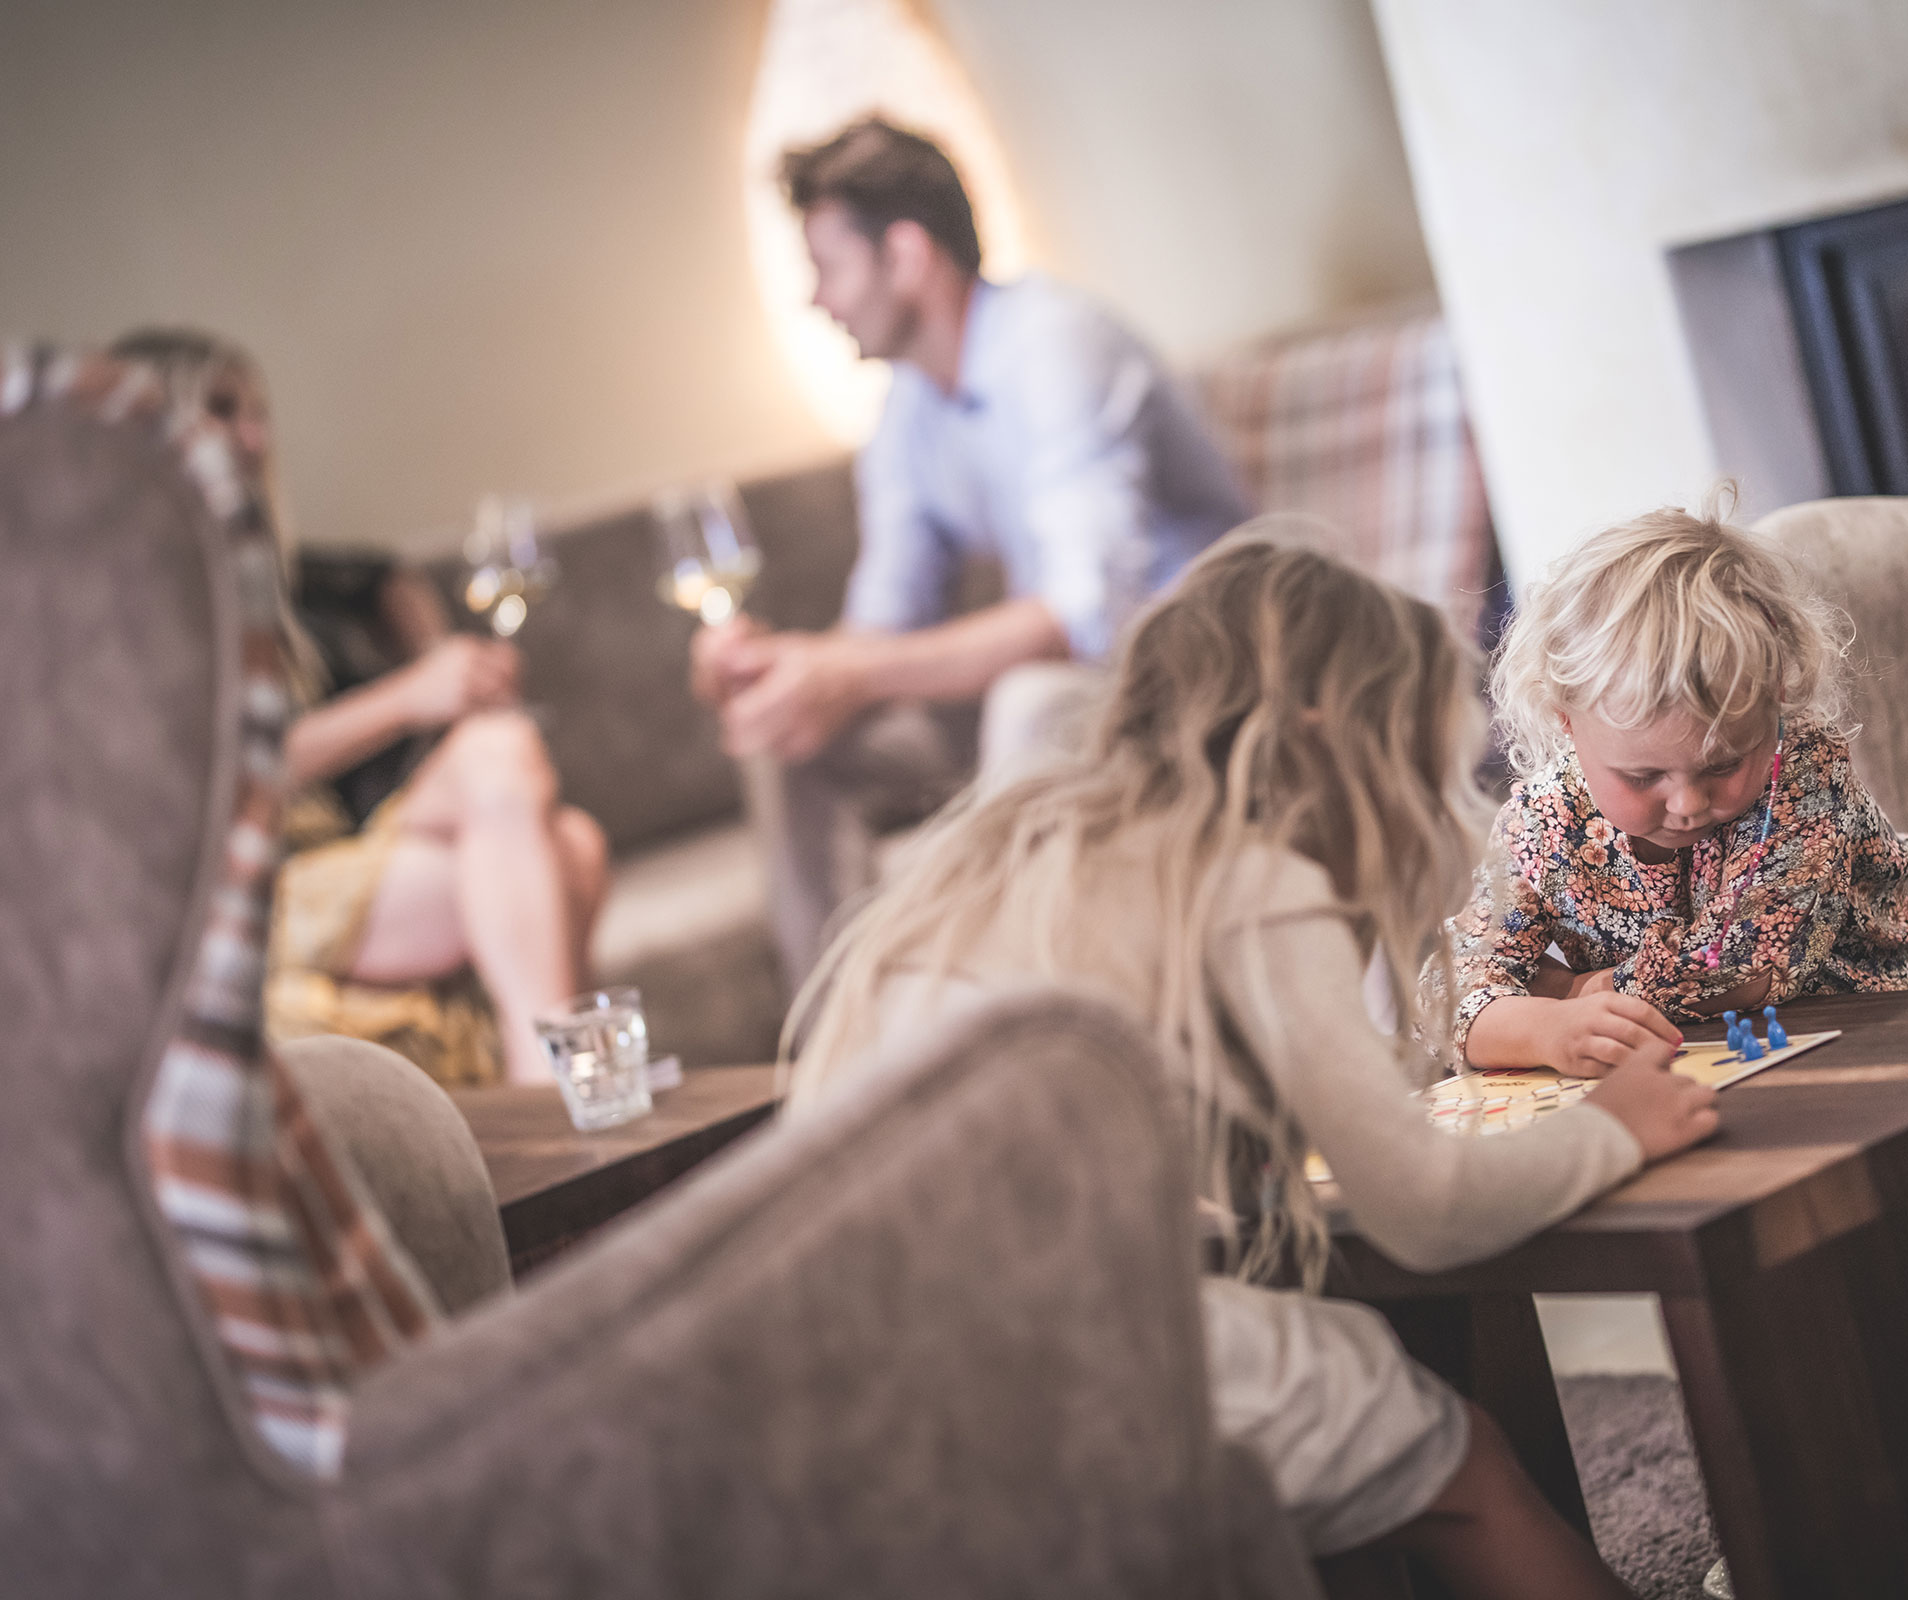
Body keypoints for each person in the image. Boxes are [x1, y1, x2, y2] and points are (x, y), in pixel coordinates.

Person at [781, 531, 1715, 1597]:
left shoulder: (1012, 839)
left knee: (1333, 1443)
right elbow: (1428, 1208)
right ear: (1326, 734)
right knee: (1459, 1467)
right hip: (1036, 1357)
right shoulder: (1251, 875)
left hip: (844, 1376)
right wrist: (1613, 1129)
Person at [690, 117, 1250, 986]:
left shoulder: (1055, 344)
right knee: (792, 735)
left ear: (907, 255)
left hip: (1200, 677)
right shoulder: (908, 408)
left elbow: (1083, 621)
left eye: (827, 267)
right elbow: (883, 623)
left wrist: (849, 672)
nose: (816, 299)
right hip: (1089, 689)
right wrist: (788, 668)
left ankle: (1032, 1023)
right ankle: (845, 1033)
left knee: (1027, 701)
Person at [110, 330, 608, 1085]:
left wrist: (439, 664)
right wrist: (408, 697)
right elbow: (217, 780)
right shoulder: (123, 609)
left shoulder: (266, 577)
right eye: (222, 409)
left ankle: (548, 1083)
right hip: (245, 891)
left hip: (335, 850)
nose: (255, 436)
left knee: (516, 766)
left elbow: (380, 573)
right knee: (567, 850)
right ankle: (561, 1087)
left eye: (258, 412)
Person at [1450, 501, 1908, 1075]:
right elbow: (1450, 990)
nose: (1688, 804)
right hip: (1724, 1052)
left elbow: (1746, 971)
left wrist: (1568, 989)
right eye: (1642, 777)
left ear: (1775, 700)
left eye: (1722, 766)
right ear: (1565, 721)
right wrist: (1545, 1031)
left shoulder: (1800, 769)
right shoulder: (1541, 822)